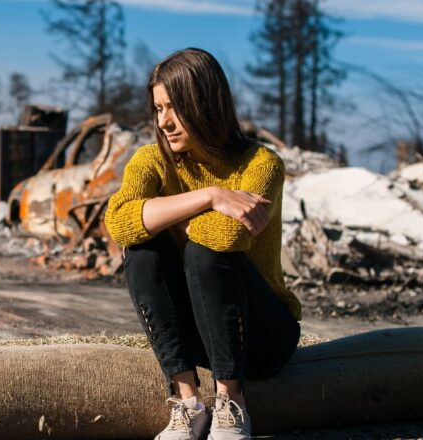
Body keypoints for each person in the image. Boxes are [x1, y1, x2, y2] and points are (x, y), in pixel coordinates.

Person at [104, 48, 302, 440]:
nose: (164, 122)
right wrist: (210, 196)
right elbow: (118, 224)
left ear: (205, 103)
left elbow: (226, 236)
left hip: (262, 335)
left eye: (174, 107)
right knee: (141, 253)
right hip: (200, 332)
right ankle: (188, 402)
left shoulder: (261, 164)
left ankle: (231, 404)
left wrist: (158, 215)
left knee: (204, 251)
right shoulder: (151, 161)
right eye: (158, 109)